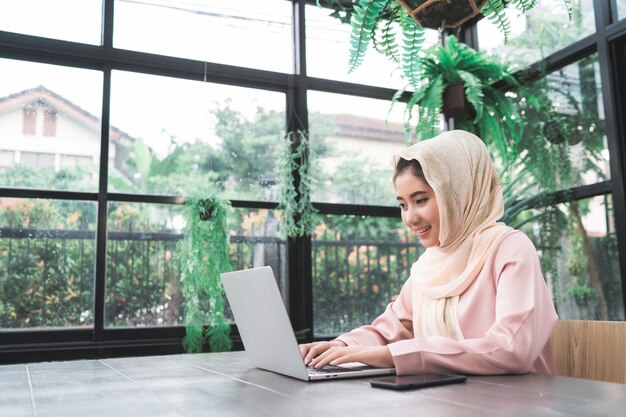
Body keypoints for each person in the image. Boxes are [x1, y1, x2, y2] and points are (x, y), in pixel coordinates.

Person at [299, 130, 558, 376]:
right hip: (450, 401)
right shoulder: (430, 264)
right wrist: (342, 345)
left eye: (421, 200)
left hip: (518, 404)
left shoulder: (509, 248)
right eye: (403, 204)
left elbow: (511, 349)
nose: (410, 218)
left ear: (456, 194)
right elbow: (391, 329)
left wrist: (394, 356)